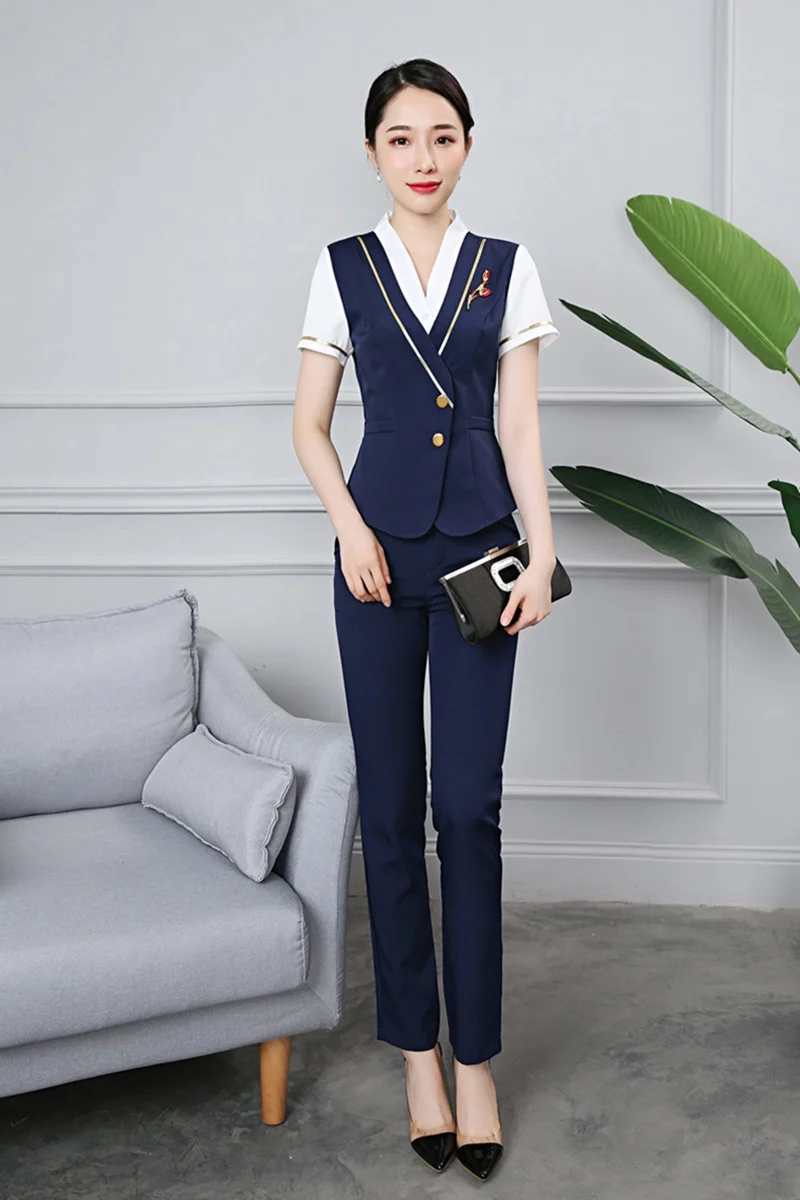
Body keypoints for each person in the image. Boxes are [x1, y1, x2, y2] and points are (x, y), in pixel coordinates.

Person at [292, 57, 560, 1182]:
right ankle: (417, 1056)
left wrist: (543, 549)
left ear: (466, 147)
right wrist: (350, 529)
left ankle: (477, 1061)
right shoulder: (340, 267)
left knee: (469, 809)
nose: (422, 157)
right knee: (393, 811)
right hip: (374, 565)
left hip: (482, 560)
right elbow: (309, 424)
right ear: (372, 152)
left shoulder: (506, 265)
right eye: (400, 138)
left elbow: (520, 423)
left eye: (441, 136)